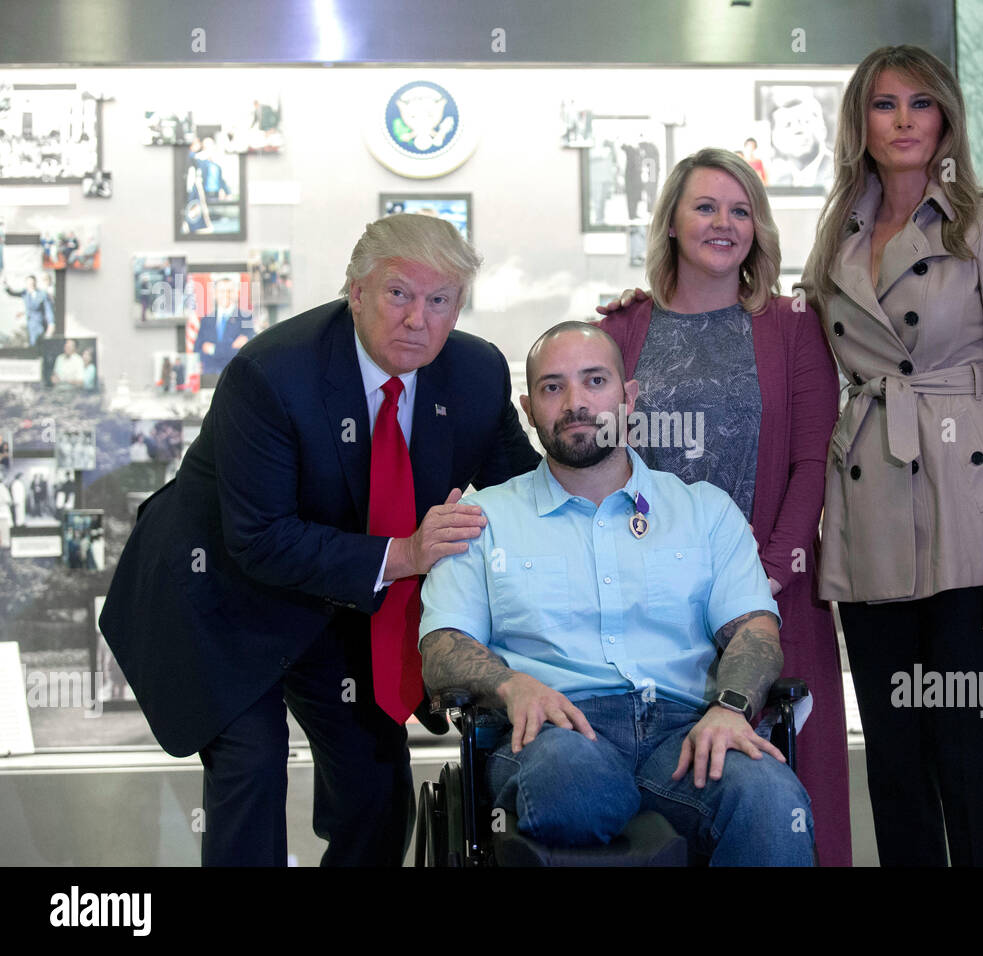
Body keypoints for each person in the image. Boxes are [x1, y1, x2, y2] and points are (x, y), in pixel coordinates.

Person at [99, 213, 540, 866]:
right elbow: (260, 539)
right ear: (356, 292)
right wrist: (407, 554)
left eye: (440, 300)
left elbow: (524, 496)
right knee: (252, 769)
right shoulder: (273, 374)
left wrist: (601, 461)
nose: (419, 319)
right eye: (399, 294)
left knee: (377, 792)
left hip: (340, 601)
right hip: (224, 594)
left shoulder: (475, 374)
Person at [419, 323, 815, 866]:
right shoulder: (481, 517)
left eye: (595, 381)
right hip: (553, 731)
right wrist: (510, 686)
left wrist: (731, 708)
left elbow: (754, 630)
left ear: (628, 396)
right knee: (574, 784)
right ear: (528, 407)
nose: (576, 403)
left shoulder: (704, 510)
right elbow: (442, 647)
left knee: (768, 796)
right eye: (553, 387)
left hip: (686, 728)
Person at [799, 45, 983, 866]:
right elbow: (793, 338)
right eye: (883, 104)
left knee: (972, 754)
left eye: (919, 102)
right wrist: (648, 309)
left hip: (970, 522)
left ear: (945, 116)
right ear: (861, 123)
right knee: (897, 764)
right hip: (871, 518)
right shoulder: (835, 232)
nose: (903, 120)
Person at [595, 148, 851, 865]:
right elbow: (599, 463)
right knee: (670, 796)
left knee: (787, 801)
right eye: (705, 207)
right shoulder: (623, 329)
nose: (724, 223)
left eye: (741, 211)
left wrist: (765, 574)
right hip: (653, 608)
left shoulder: (793, 326)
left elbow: (812, 461)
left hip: (770, 598)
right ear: (672, 222)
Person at [766, 87, 834, 188]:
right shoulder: (777, 180)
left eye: (806, 121)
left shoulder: (842, 172)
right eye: (787, 124)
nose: (798, 130)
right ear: (774, 138)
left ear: (823, 129)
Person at [194, 278, 251, 375]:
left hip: (236, 374)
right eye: (222, 291)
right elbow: (198, 349)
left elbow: (244, 353)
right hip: (209, 375)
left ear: (236, 293)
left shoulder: (246, 318)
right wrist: (231, 347)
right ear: (215, 294)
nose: (226, 294)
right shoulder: (206, 320)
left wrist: (213, 349)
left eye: (230, 291)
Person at [4, 275, 54, 346]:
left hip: (39, 323)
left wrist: (51, 323)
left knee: (38, 341)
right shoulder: (25, 293)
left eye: (32, 283)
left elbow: (48, 310)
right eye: (29, 284)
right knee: (31, 342)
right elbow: (13, 293)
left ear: (35, 283)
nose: (30, 285)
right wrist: (5, 285)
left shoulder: (42, 294)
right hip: (30, 323)